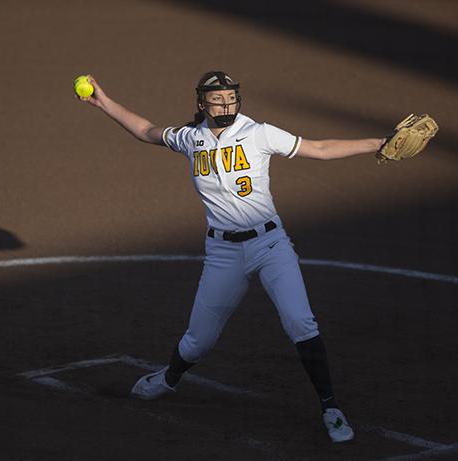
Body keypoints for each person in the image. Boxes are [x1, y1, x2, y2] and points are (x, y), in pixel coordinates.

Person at [77, 71, 385, 443]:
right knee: (198, 341)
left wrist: (379, 143)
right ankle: (168, 379)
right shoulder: (192, 138)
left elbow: (319, 149)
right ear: (202, 103)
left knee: (301, 323)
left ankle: (331, 408)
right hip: (223, 252)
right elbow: (146, 131)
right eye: (217, 99)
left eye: (230, 98)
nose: (225, 105)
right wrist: (104, 102)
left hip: (271, 246)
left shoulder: (259, 133)